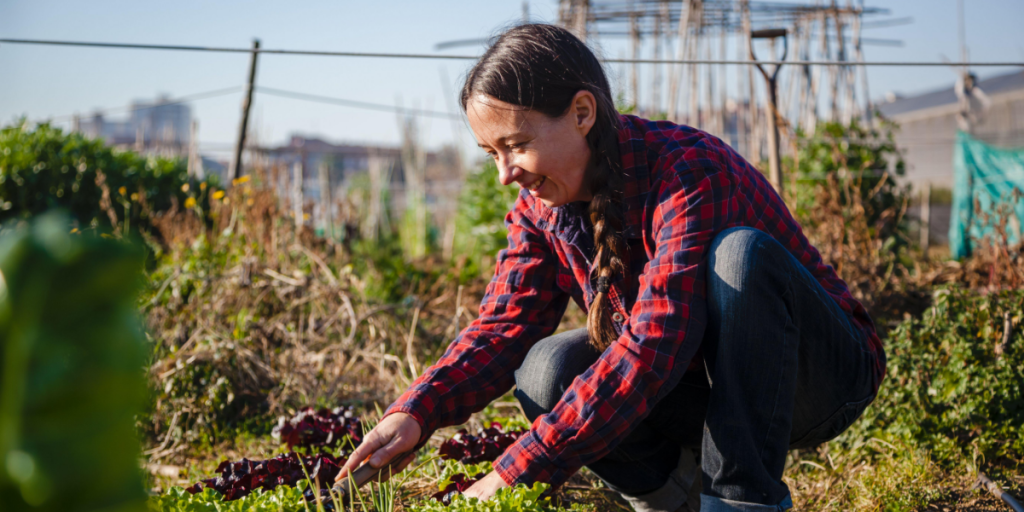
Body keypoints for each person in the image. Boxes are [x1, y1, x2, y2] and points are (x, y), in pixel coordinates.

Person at [336, 24, 885, 512]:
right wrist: (417, 411)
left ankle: (741, 500)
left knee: (740, 256)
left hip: (814, 380)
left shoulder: (688, 171)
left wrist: (520, 466)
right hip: (700, 390)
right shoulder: (539, 209)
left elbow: (654, 343)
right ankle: (675, 498)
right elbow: (503, 326)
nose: (504, 174)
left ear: (582, 113)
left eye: (517, 145)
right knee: (545, 369)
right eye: (490, 153)